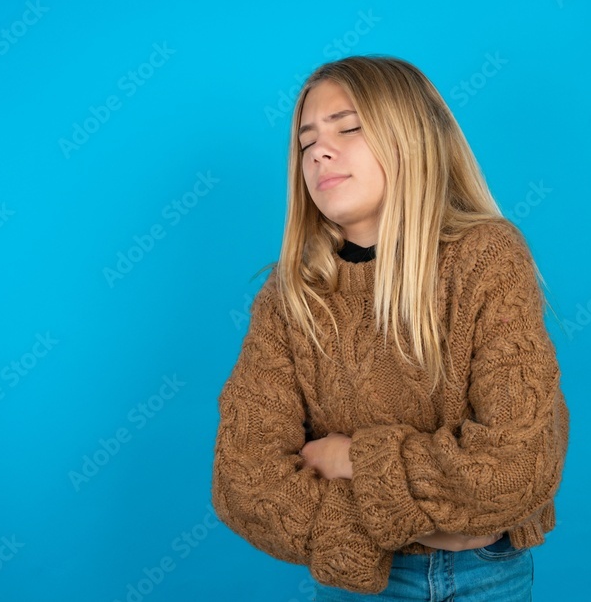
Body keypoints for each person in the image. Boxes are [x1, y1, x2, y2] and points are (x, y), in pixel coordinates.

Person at [212, 55, 569, 600]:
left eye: (348, 128)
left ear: (411, 138)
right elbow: (243, 480)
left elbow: (514, 468)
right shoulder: (289, 299)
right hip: (359, 579)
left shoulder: (487, 259)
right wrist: (429, 524)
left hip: (483, 576)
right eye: (307, 143)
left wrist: (347, 458)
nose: (319, 152)